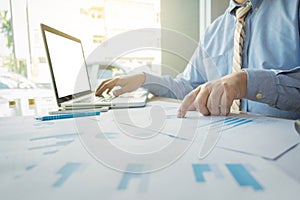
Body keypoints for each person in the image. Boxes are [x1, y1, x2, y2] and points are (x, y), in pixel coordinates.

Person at [95, 0, 300, 120]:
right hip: (225, 144)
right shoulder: (213, 31)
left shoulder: (294, 8)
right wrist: (143, 79)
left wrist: (246, 82)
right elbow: (188, 87)